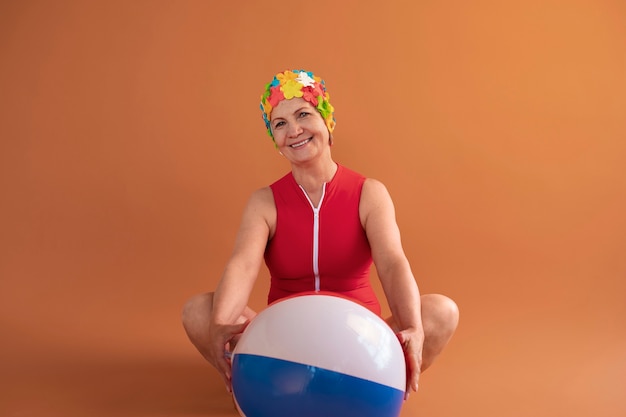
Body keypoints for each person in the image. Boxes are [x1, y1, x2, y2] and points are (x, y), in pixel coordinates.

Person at [182, 69, 459, 400]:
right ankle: (255, 389)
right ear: (275, 139)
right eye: (280, 123)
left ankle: (377, 386)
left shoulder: (369, 193)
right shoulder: (264, 202)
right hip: (286, 340)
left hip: (359, 338)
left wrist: (413, 326)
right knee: (199, 311)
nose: (294, 130)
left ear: (327, 121)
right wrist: (220, 324)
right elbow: (242, 264)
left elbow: (392, 261)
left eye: (303, 114)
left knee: (442, 311)